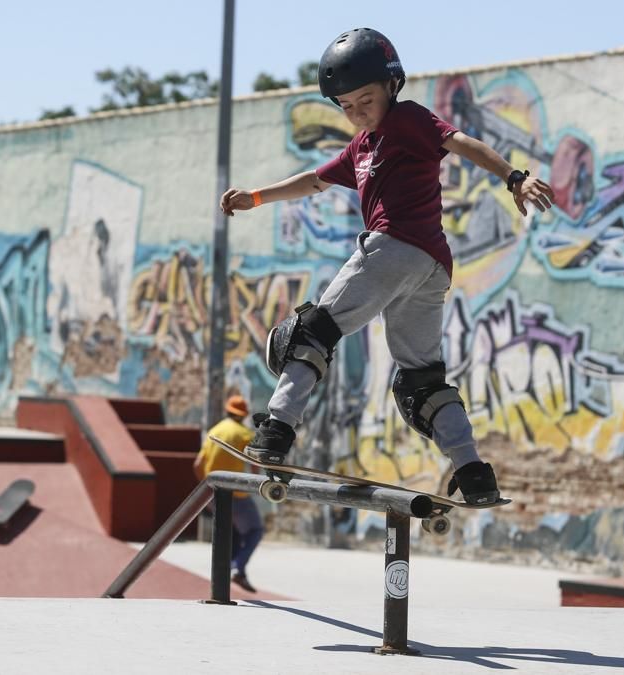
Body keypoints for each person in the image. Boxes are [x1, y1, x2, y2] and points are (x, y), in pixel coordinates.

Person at [219, 28, 555, 504]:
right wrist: (256, 197)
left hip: (395, 248)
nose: (358, 112)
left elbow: (463, 143)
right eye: (347, 106)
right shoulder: (361, 147)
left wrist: (514, 178)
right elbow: (314, 180)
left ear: (392, 86)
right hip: (430, 267)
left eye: (366, 100)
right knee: (422, 380)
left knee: (310, 333)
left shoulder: (409, 119)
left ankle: (276, 429)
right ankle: (473, 472)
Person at [195, 395, 263, 592]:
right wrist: (255, 484)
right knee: (255, 530)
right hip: (236, 494)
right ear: (244, 415)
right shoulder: (244, 433)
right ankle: (237, 567)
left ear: (227, 410)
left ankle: (230, 575)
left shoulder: (214, 431)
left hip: (213, 493)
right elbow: (254, 464)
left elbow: (197, 465)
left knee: (231, 531)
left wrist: (205, 488)